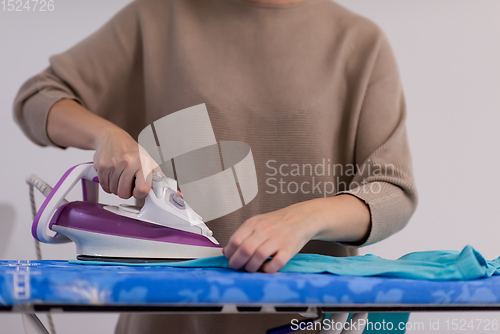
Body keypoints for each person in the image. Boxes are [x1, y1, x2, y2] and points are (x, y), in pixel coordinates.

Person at [13, 0, 418, 332]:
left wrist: (304, 218)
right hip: (166, 324)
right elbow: (37, 97)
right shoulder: (160, 17)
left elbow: (392, 191)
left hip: (304, 322)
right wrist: (107, 137)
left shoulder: (359, 44)